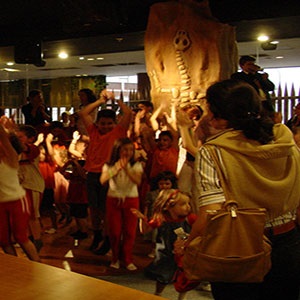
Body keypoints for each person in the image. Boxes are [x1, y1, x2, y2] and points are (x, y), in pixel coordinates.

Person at [177, 79, 300, 300]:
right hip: (289, 243)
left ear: (219, 117)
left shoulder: (214, 151)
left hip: (239, 247)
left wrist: (188, 246)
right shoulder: (285, 140)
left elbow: (211, 212)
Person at [78, 89, 132, 254]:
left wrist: (116, 101)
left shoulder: (118, 132)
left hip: (109, 174)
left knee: (107, 210)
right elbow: (83, 113)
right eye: (103, 123)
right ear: (98, 123)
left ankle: (109, 240)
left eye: (109, 123)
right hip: (92, 174)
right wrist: (101, 101)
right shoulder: (93, 131)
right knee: (93, 209)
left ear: (115, 123)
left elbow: (128, 113)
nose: (106, 126)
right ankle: (97, 235)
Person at [131, 189, 197, 300]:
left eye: (188, 203)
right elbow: (145, 230)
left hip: (184, 253)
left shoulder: (190, 218)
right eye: (183, 204)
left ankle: (182, 297)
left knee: (185, 276)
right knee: (163, 275)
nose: (188, 207)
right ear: (168, 206)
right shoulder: (161, 219)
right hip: (165, 253)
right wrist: (142, 219)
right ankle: (158, 294)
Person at [0, 118, 40, 261]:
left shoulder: (10, 156)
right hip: (1, 203)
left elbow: (4, 139)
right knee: (3, 240)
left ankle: (37, 265)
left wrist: (5, 129)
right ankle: (14, 267)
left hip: (17, 200)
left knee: (21, 237)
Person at [100, 137, 143, 270]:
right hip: (113, 199)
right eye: (125, 149)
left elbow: (138, 181)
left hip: (131, 199)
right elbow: (102, 180)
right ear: (117, 150)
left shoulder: (136, 165)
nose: (128, 152)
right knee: (115, 232)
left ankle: (128, 259)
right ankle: (115, 258)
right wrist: (116, 169)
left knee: (130, 232)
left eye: (131, 149)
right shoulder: (109, 165)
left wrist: (127, 169)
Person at [16, 125, 45, 252]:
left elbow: (23, 148)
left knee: (32, 215)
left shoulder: (33, 148)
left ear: (31, 139)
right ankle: (29, 239)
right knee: (25, 215)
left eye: (20, 137)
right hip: (22, 186)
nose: (17, 139)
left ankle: (37, 240)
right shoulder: (16, 152)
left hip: (32, 185)